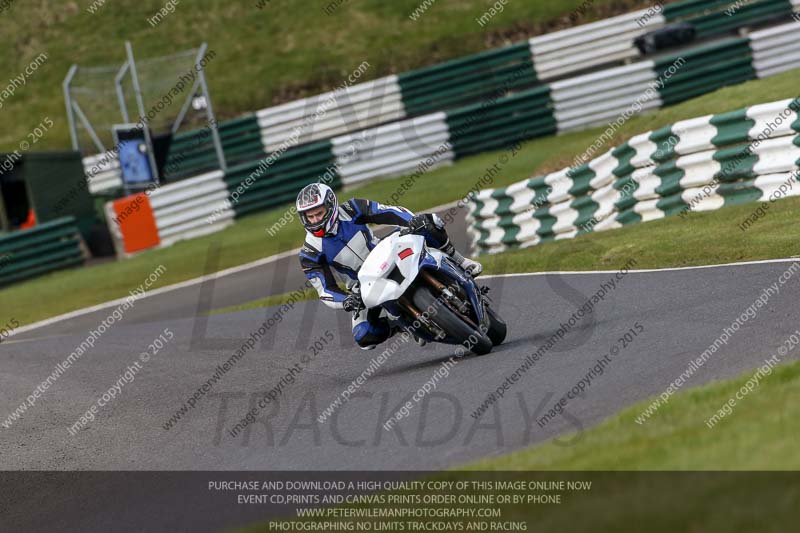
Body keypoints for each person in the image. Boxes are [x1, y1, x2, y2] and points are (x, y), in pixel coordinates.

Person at [296, 183, 482, 350]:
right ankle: (401, 324)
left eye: (318, 213)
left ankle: (460, 261)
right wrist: (346, 300)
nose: (315, 220)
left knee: (428, 222)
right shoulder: (309, 253)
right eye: (309, 217)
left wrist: (411, 221)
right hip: (363, 285)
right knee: (364, 336)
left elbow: (390, 211)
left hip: (385, 251)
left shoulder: (352, 208)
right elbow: (325, 290)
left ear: (331, 206)